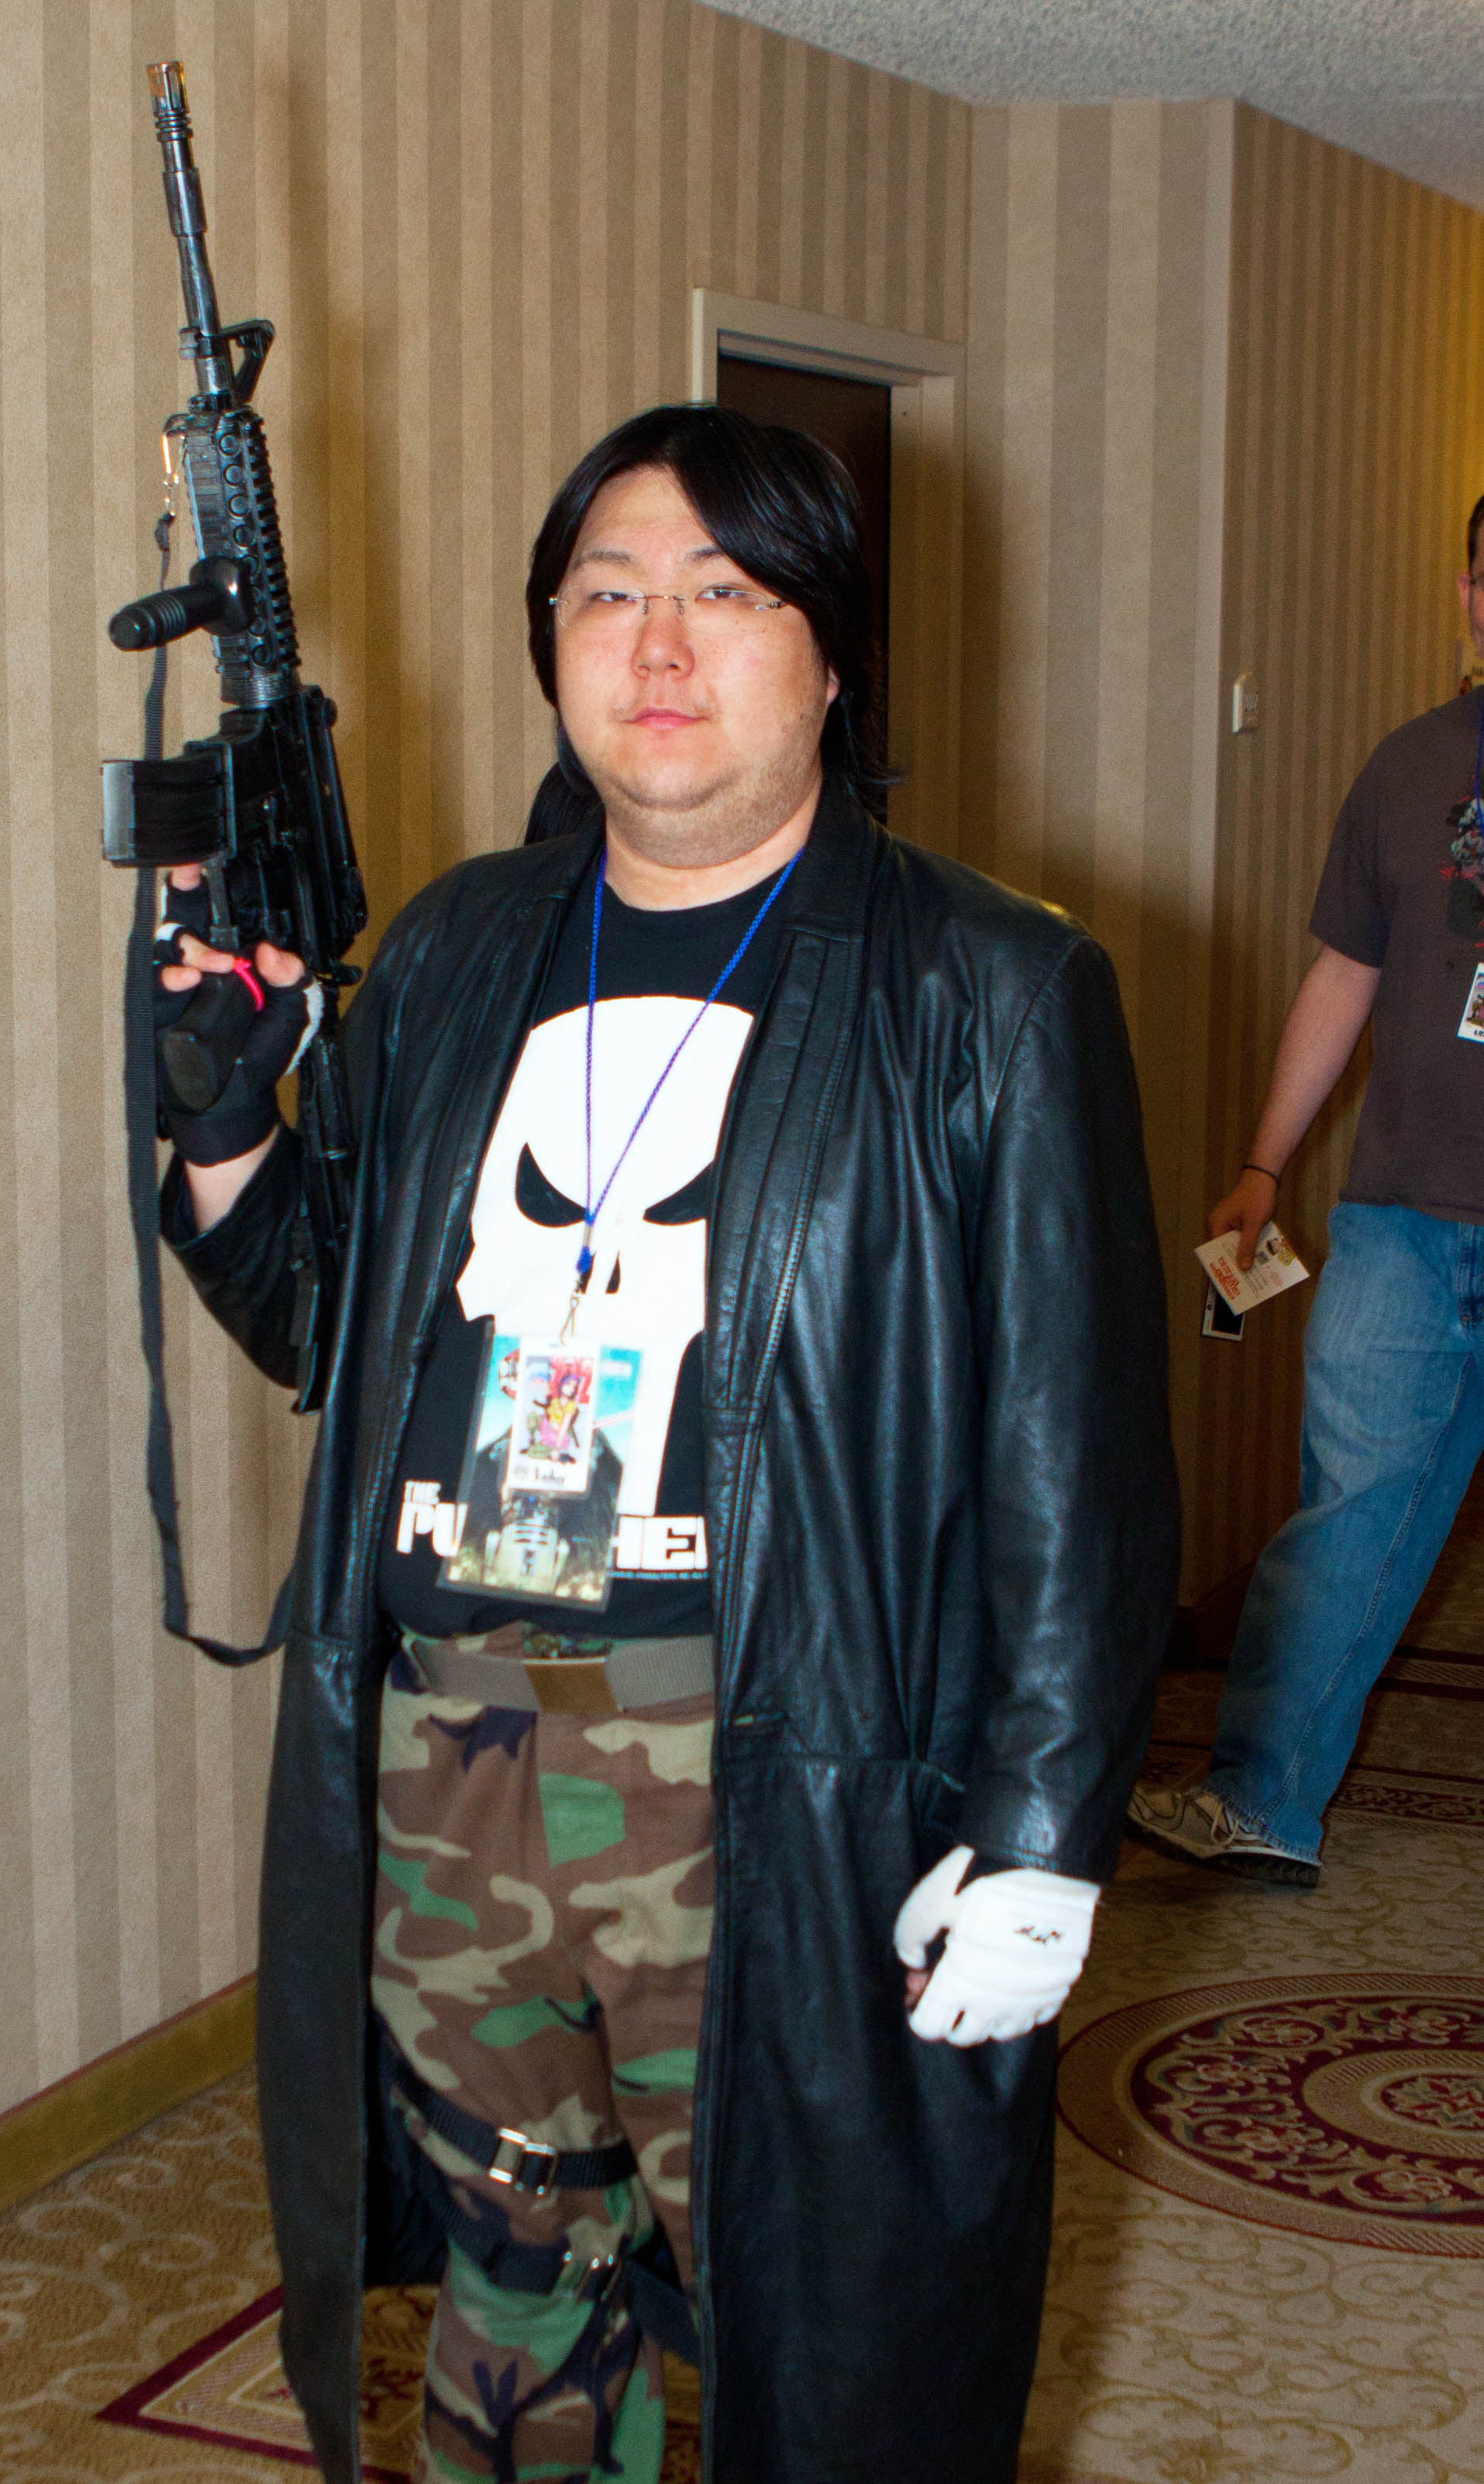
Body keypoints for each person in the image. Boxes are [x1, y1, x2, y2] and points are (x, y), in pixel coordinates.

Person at [153, 404, 1177, 2484]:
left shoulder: (986, 991)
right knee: (511, 2290)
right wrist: (224, 1117)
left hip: (775, 1772)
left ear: (830, 651)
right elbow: (326, 1330)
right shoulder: (456, 951)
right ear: (548, 643)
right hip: (453, 1747)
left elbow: (1078, 1467)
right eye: (607, 591)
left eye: (724, 591)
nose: (656, 642)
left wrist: (1044, 1828)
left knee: (833, 2338)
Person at [1128, 492, 1484, 1892]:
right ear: (1468, 596)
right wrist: (1264, 1162)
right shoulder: (1407, 768)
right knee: (1344, 1512)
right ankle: (1263, 1796)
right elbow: (1345, 977)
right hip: (1402, 1220)